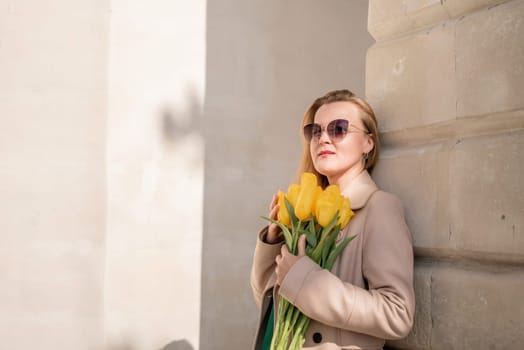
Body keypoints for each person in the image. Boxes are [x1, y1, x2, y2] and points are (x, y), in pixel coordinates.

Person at [250, 89, 415, 350]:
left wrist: (307, 282)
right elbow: (270, 305)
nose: (323, 138)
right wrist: (274, 242)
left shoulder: (378, 208)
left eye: (338, 129)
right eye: (315, 131)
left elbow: (397, 314)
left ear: (368, 143)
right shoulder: (309, 210)